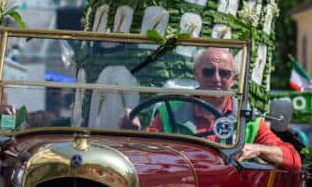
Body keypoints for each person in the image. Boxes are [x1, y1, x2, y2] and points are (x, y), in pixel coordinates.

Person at [122, 48, 300, 170]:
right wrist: (135, 134)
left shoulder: (247, 118)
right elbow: (148, 151)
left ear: (234, 79)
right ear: (196, 75)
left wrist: (257, 149)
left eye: (224, 73)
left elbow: (293, 159)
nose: (216, 79)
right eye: (208, 72)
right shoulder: (170, 110)